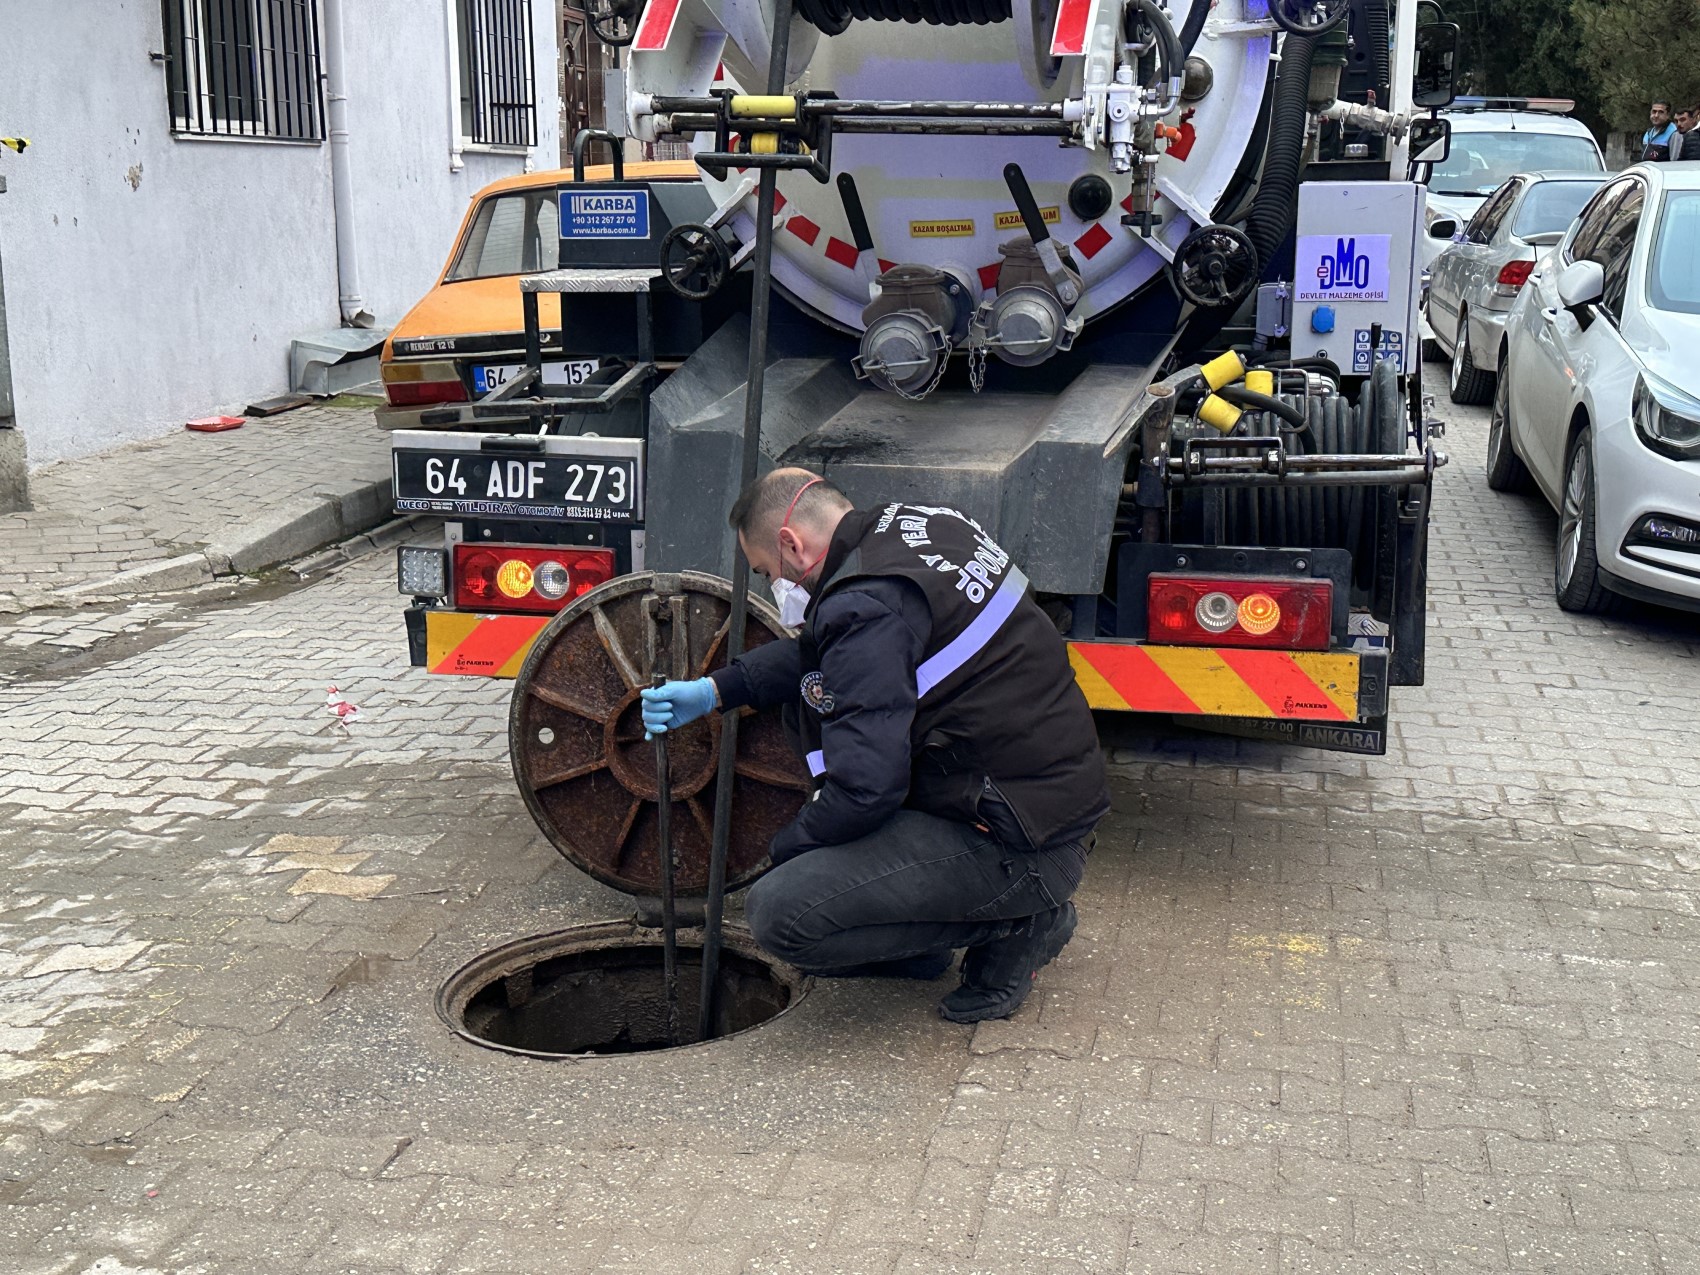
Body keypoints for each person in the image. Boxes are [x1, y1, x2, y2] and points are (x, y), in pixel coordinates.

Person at [640, 469, 1109, 1024]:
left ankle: (1020, 922)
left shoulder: (865, 603)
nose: (777, 586)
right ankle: (920, 941)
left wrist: (789, 848)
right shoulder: (920, 527)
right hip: (1039, 800)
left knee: (782, 912)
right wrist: (719, 689)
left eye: (768, 571)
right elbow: (834, 652)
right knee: (811, 716)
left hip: (1022, 842)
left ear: (791, 543)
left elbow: (866, 790)